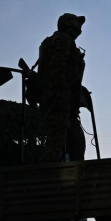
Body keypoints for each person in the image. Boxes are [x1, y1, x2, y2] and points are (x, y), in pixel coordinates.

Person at [37, 13, 86, 163]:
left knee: (75, 139)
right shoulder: (63, 39)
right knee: (56, 141)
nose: (79, 28)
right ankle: (49, 176)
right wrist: (60, 92)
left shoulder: (55, 41)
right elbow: (57, 66)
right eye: (76, 24)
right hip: (59, 97)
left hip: (63, 98)